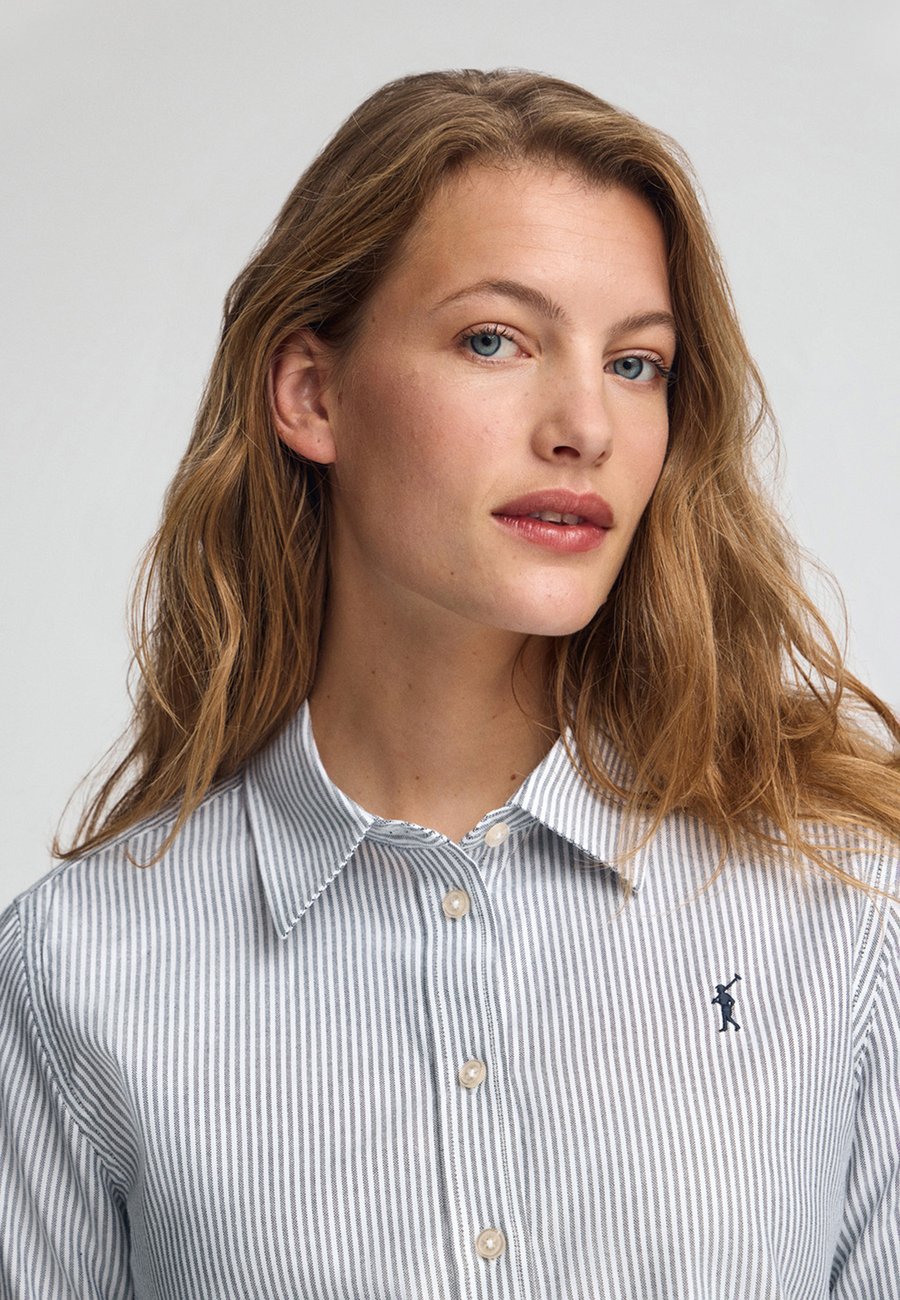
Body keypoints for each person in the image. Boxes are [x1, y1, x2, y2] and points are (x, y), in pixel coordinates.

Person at [1, 67, 898, 1299]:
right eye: (495, 340)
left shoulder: (845, 907)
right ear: (312, 393)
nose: (585, 424)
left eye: (637, 363)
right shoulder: (78, 972)